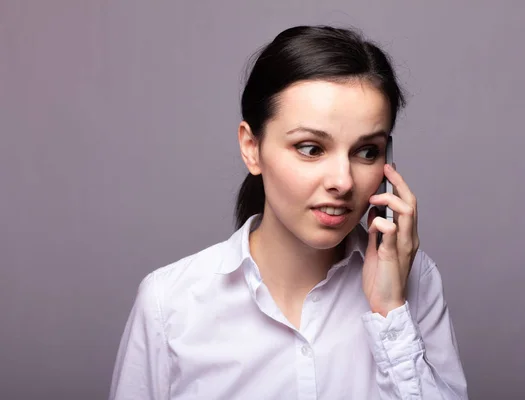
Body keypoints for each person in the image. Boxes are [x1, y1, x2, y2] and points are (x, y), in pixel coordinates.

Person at [109, 25, 468, 400]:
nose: (342, 181)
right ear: (252, 147)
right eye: (311, 149)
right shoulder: (170, 302)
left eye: (366, 152)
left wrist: (390, 311)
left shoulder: (415, 281)